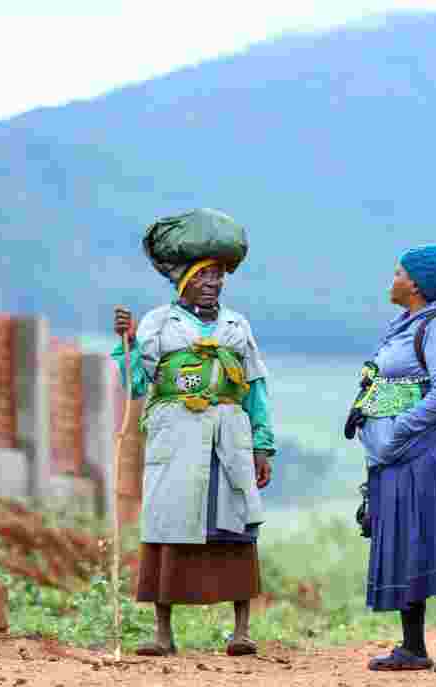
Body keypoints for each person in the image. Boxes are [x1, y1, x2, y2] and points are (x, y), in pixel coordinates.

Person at [111, 208, 275, 656]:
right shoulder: (158, 323)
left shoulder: (237, 326)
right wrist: (124, 342)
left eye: (219, 275)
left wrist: (262, 444)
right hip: (175, 435)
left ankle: (241, 631)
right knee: (169, 522)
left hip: (230, 436)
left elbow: (256, 387)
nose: (214, 283)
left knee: (236, 523)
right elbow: (138, 383)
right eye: (205, 275)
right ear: (183, 279)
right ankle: (163, 634)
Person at [352, 234, 436, 673]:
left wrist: (399, 430)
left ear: (416, 285)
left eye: (398, 272)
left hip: (434, 454)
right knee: (405, 541)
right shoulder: (405, 326)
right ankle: (412, 648)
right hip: (400, 457)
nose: (392, 279)